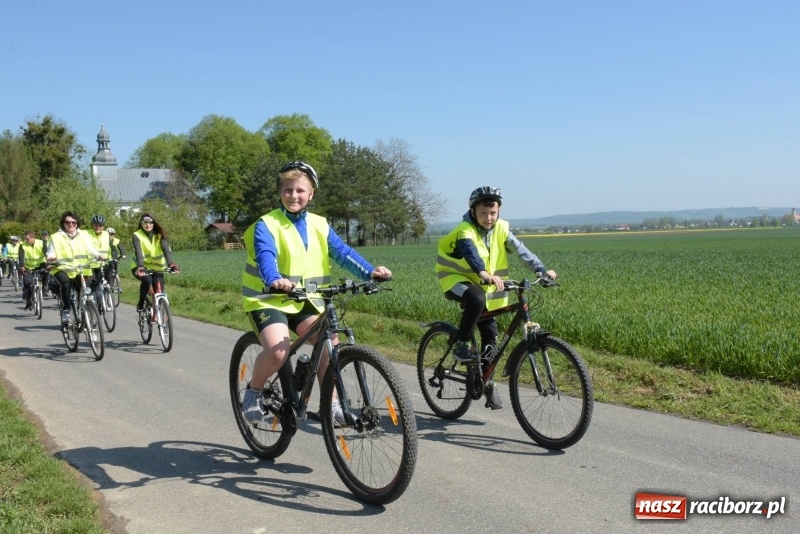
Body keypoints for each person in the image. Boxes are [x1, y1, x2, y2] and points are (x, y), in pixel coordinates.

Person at [240, 161, 392, 425]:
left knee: (328, 347)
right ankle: (254, 391)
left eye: (300, 190)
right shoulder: (267, 224)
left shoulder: (320, 224)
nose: (293, 195)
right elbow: (266, 256)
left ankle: (331, 406)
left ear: (311, 194)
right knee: (278, 352)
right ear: (280, 192)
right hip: (268, 299)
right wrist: (274, 279)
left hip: (306, 299)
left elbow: (342, 253)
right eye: (287, 190)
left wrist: (370, 272)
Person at [435, 186, 558, 410]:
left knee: (491, 333)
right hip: (455, 279)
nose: (488, 218)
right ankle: (462, 344)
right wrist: (483, 272)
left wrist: (540, 269)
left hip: (485, 284)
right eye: (483, 213)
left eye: (493, 213)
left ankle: (486, 381)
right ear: (473, 212)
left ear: (498, 211)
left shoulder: (502, 229)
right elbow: (470, 252)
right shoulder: (465, 230)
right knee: (476, 299)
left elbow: (521, 250)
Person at [46, 212, 106, 325]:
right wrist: (51, 257)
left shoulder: (83, 235)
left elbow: (90, 249)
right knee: (66, 285)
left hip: (80, 269)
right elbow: (50, 251)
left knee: (84, 291)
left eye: (74, 222)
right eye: (68, 222)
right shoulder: (55, 237)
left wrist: (98, 255)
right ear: (63, 223)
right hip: (62, 268)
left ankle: (85, 313)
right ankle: (66, 310)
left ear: (77, 223)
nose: (71, 224)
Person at [130, 213, 178, 312]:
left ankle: (160, 313)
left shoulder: (159, 235)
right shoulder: (137, 235)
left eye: (150, 222)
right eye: (145, 222)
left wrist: (171, 264)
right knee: (147, 280)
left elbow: (166, 250)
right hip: (140, 267)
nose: (148, 224)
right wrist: (140, 266)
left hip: (157, 268)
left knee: (159, 292)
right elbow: (138, 252)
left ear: (154, 223)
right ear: (141, 223)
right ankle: (141, 303)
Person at [19, 230, 48, 310]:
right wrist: (22, 266)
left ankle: (45, 287)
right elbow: (21, 257)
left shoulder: (41, 243)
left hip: (40, 264)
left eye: (27, 239)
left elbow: (47, 254)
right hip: (28, 266)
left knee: (47, 271)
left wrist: (49, 263)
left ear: (33, 238)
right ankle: (29, 301)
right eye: (25, 238)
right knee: (27, 283)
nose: (26, 240)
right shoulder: (22, 245)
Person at [86, 215, 112, 290]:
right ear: (92, 225)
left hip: (103, 264)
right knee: (89, 289)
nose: (98, 227)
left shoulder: (106, 234)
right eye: (96, 225)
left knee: (107, 282)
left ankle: (109, 293)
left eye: (100, 225)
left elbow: (109, 247)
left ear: (103, 226)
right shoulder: (86, 233)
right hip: (90, 265)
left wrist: (111, 258)